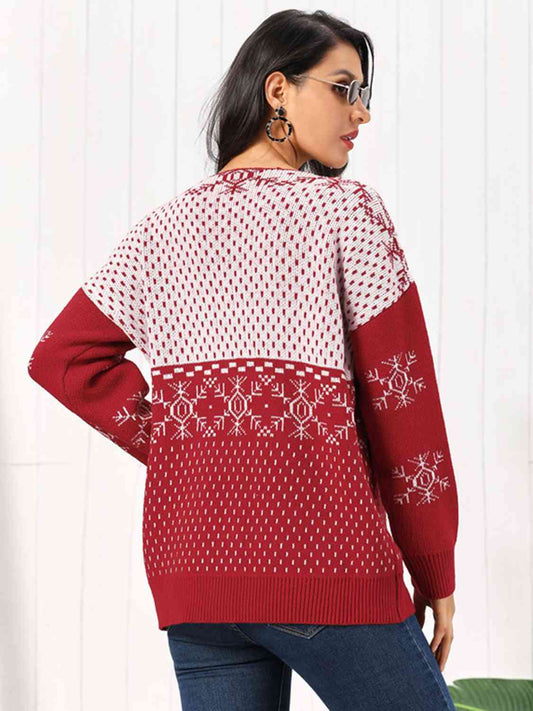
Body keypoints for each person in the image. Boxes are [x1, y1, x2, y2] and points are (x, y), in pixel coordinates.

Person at [27, 8, 459, 711]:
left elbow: (62, 357)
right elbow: (403, 408)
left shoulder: (161, 231)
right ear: (278, 89)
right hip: (323, 561)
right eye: (344, 89)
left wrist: (187, 442)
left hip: (194, 573)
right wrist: (434, 567)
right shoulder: (346, 213)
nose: (362, 113)